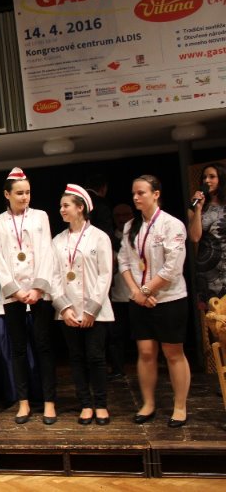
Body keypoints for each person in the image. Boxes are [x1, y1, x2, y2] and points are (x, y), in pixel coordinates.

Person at [118, 175, 191, 427]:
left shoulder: (172, 225)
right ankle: (148, 403)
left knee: (173, 353)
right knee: (146, 352)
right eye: (134, 193)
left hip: (169, 298)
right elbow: (124, 262)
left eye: (141, 193)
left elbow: (173, 267)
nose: (136, 197)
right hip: (139, 300)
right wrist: (137, 292)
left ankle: (179, 406)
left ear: (156, 194)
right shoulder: (130, 226)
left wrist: (147, 290)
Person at [0, 168, 57, 425]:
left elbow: (47, 252)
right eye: (19, 193)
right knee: (18, 349)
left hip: (39, 291)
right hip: (13, 293)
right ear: (7, 194)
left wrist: (37, 288)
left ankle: (49, 402)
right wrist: (16, 290)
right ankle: (24, 402)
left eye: (27, 192)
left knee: (44, 347)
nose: (25, 197)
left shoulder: (41, 216)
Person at [50, 185, 114, 426]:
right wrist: (64, 308)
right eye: (61, 206)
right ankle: (85, 404)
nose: (61, 209)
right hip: (68, 311)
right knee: (76, 358)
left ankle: (101, 404)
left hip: (95, 311)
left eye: (65, 205)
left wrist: (90, 310)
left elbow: (105, 274)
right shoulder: (57, 240)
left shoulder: (99, 237)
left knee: (96, 357)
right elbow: (53, 276)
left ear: (80, 208)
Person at [187, 163, 226, 308]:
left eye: (212, 177)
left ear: (221, 178)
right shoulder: (194, 207)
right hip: (208, 270)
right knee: (213, 316)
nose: (207, 180)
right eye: (204, 177)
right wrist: (198, 209)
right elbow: (194, 237)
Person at [107, 203, 135, 379]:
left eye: (125, 215)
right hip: (117, 295)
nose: (122, 219)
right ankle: (118, 368)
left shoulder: (138, 235)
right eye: (118, 215)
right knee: (116, 336)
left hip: (139, 294)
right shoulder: (108, 239)